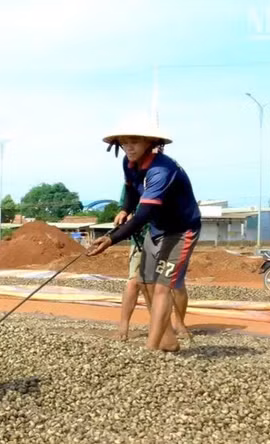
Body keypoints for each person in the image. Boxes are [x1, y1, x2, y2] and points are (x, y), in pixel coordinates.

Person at [88, 116, 201, 352]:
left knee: (162, 286)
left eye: (135, 142)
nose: (129, 147)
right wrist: (124, 209)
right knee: (145, 282)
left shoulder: (161, 170)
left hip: (181, 230)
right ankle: (168, 340)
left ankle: (151, 349)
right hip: (157, 228)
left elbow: (143, 215)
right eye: (124, 142)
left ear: (150, 143)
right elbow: (131, 191)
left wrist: (111, 239)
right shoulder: (129, 163)